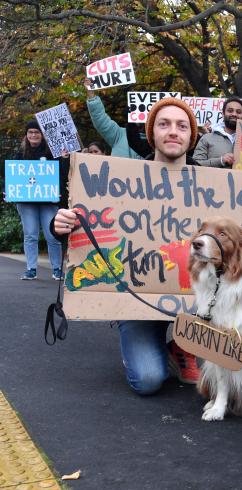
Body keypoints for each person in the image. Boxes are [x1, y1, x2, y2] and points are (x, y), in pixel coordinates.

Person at [53, 97, 202, 394]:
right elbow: (87, 220)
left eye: (181, 125)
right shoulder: (121, 177)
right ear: (152, 134)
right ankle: (152, 344)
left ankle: (181, 345)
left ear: (191, 135)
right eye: (164, 124)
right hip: (138, 299)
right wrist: (59, 226)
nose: (173, 131)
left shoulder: (217, 185)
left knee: (237, 364)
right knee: (147, 380)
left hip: (197, 302)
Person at [14, 120, 68, 281]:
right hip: (27, 203)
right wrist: (8, 191)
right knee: (30, 235)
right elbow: (14, 177)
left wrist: (64, 159)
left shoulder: (53, 152)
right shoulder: (20, 154)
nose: (33, 135)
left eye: (36, 132)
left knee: (53, 236)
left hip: (48, 201)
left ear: (42, 135)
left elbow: (63, 174)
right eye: (30, 132)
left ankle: (57, 269)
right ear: (26, 135)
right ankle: (31, 269)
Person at [84, 78, 142, 159]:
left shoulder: (159, 140)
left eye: (142, 111)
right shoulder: (119, 135)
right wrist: (91, 93)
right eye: (134, 110)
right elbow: (100, 119)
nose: (139, 115)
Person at [193, 97, 242, 167]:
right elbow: (195, 165)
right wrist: (220, 161)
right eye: (230, 111)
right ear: (223, 114)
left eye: (238, 112)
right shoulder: (207, 138)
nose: (234, 114)